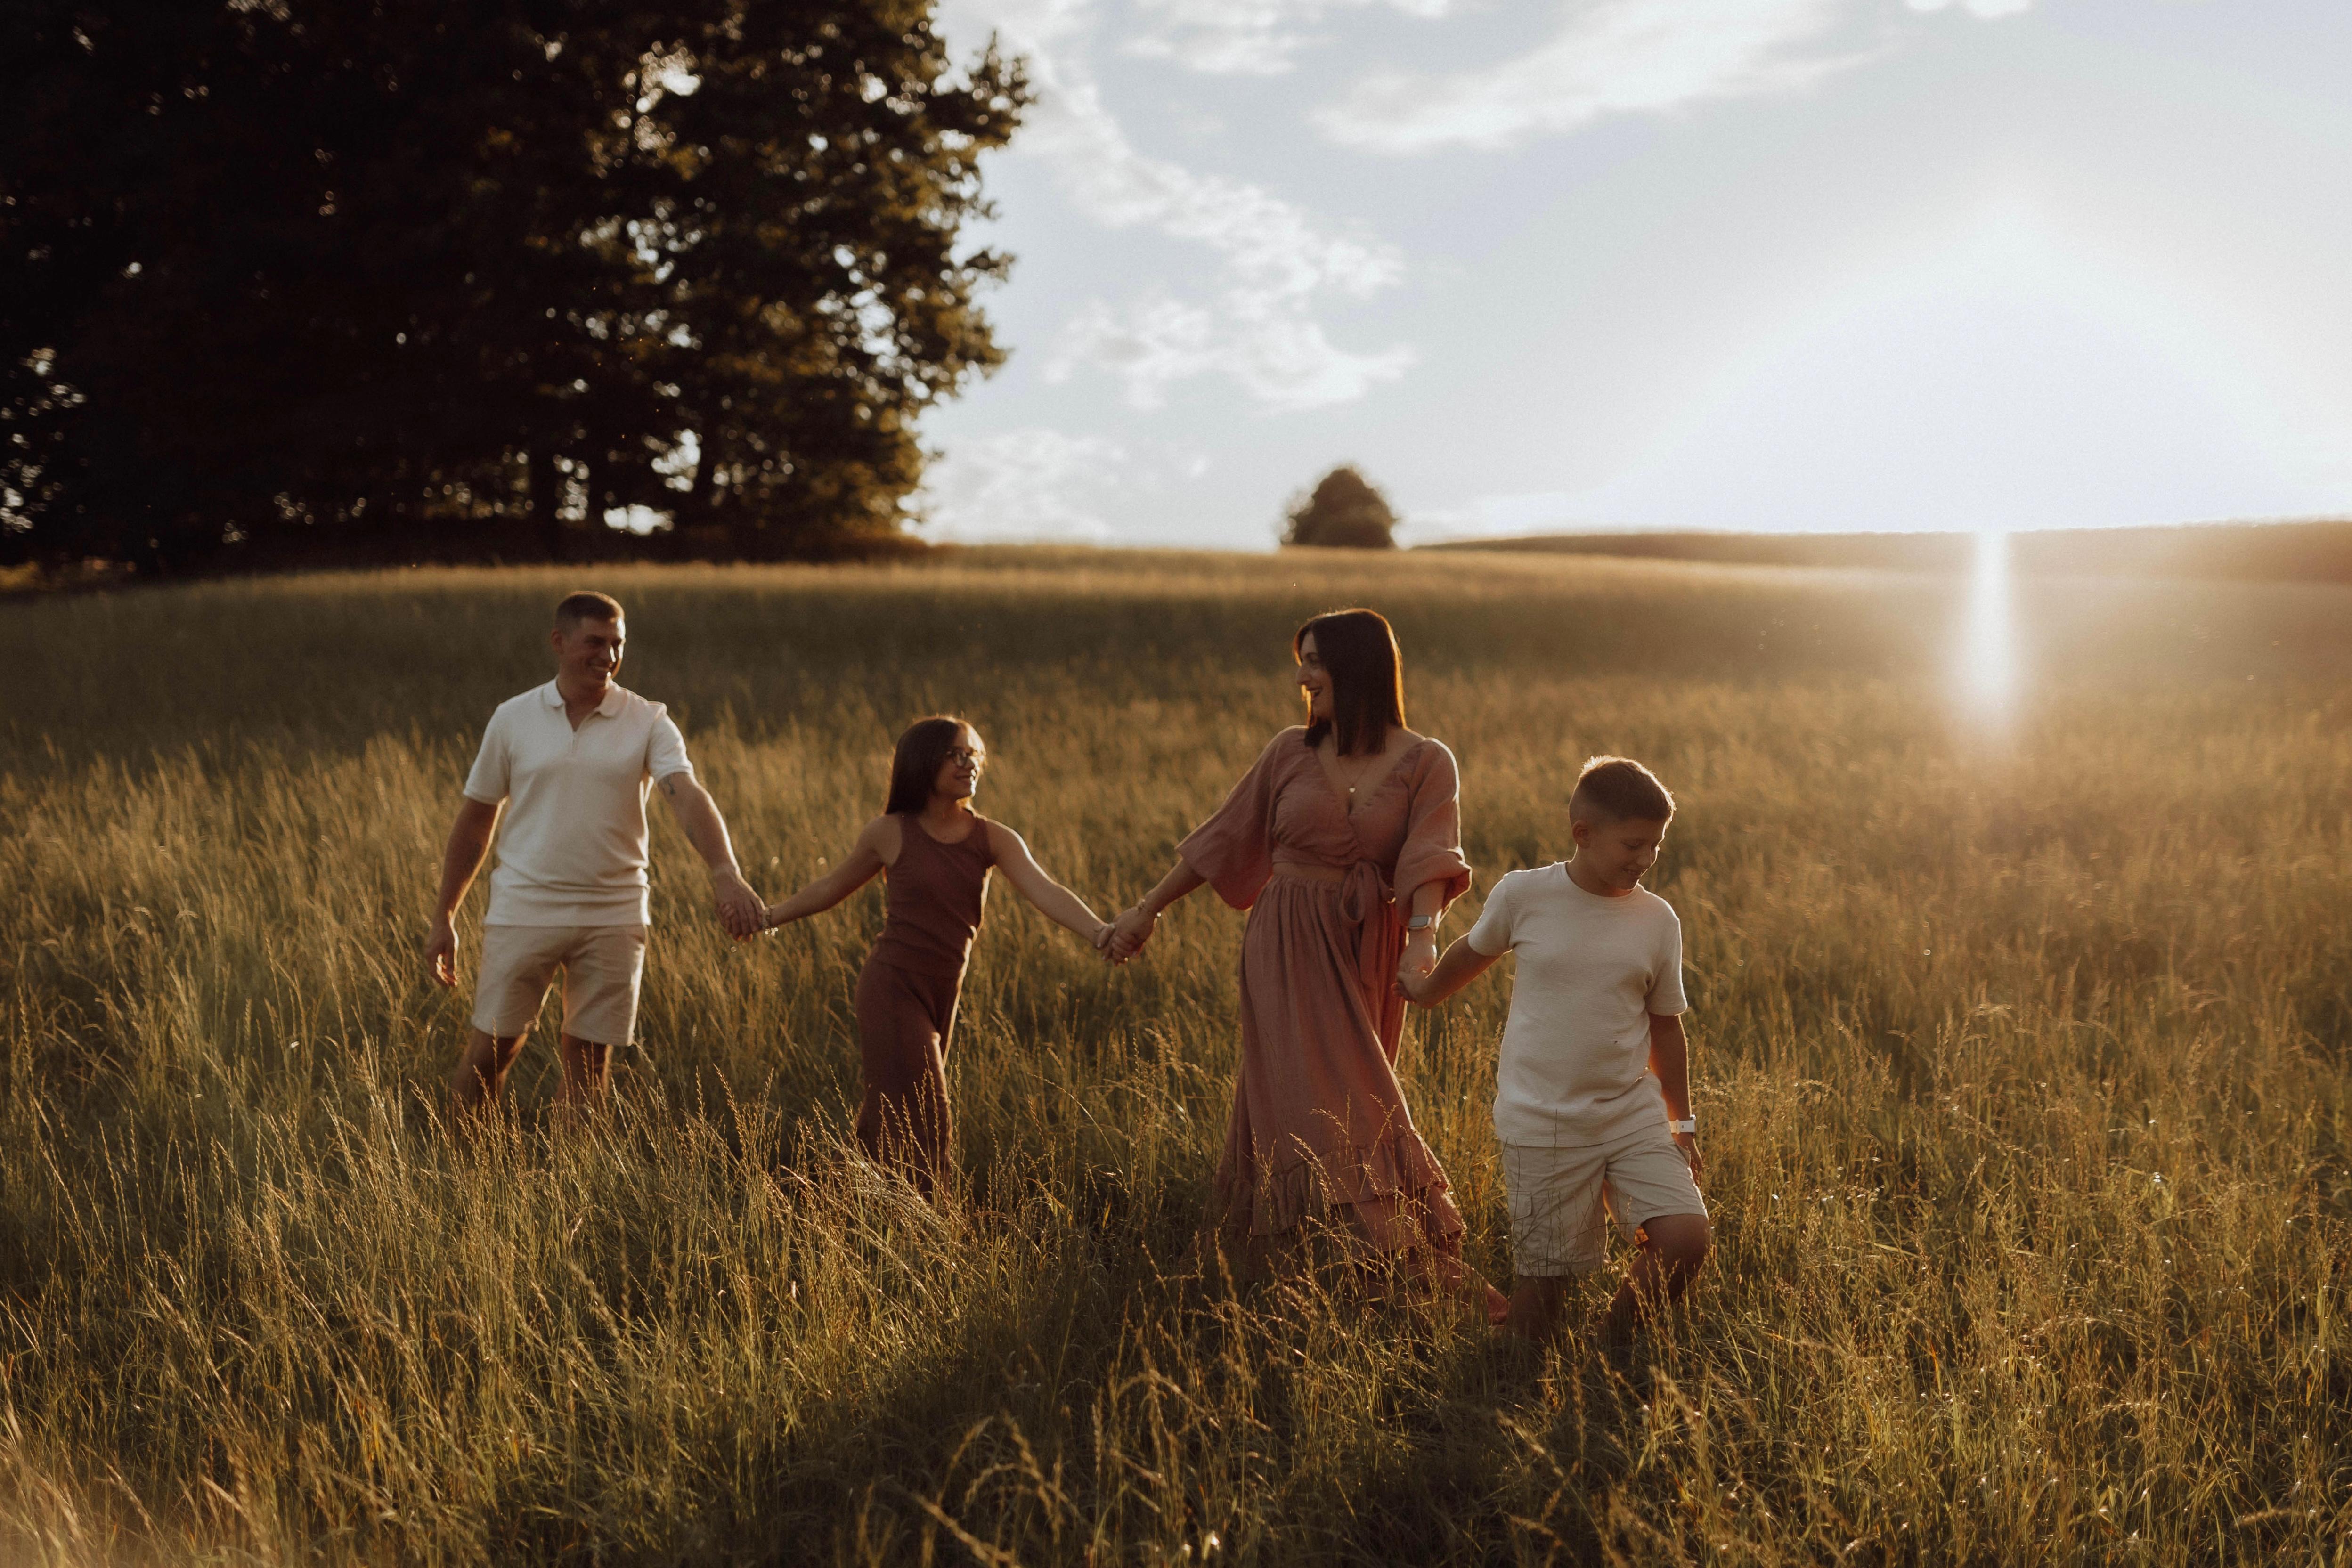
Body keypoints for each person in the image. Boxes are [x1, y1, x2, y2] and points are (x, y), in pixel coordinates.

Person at [1110, 608, 1503, 1321]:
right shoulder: (1288, 751)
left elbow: (1427, 857)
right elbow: (1226, 838)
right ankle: (1382, 1272)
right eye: (1302, 661)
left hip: (1368, 948)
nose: (1302, 676)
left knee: (1360, 1100)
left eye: (1315, 660)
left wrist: (1420, 939)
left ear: (1358, 667)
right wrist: (1147, 910)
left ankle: (1364, 1272)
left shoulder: (1426, 760)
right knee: (1303, 1098)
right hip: (1285, 944)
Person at [1398, 755, 1710, 1346]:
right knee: (1543, 1302)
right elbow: (1472, 950)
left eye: (1656, 846)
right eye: (1634, 844)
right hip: (1544, 1120)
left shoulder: (1657, 920)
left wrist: (1682, 1120)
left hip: (1631, 1114)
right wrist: (1426, 989)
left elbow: (1666, 1027)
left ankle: (1607, 1349)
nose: (1646, 859)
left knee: (1685, 1237)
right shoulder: (1525, 895)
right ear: (1583, 834)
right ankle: (1507, 1352)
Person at [427, 590, 765, 1121]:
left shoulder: (649, 720)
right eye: (595, 642)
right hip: (524, 908)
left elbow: (685, 792)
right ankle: (462, 1173)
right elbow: (475, 820)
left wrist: (725, 871)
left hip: (614, 912)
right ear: (559, 643)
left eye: (617, 644)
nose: (608, 656)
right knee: (493, 1049)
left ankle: (570, 1192)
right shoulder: (513, 718)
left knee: (589, 1061)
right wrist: (445, 914)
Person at [758, 716, 1115, 1197]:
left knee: (884, 1125)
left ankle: (808, 1201)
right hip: (892, 988)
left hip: (942, 995)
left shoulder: (993, 837)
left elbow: (1045, 889)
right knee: (930, 1116)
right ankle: (937, 1230)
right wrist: (769, 916)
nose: (968, 763)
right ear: (923, 761)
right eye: (955, 754)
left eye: (973, 755)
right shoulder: (889, 832)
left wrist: (1099, 932)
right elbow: (830, 887)